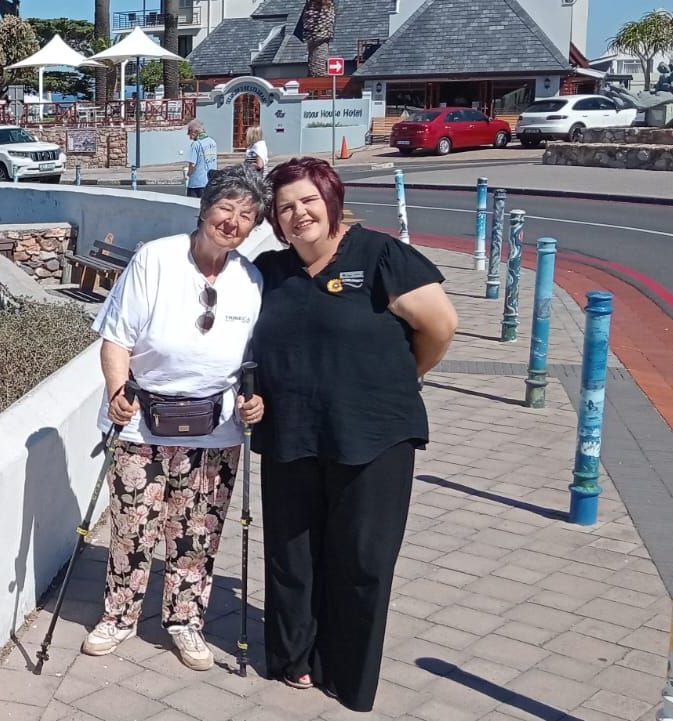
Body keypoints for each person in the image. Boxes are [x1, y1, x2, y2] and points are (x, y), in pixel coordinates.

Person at [252, 157, 459, 712]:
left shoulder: (380, 255)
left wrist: (402, 377)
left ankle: (345, 671)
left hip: (374, 434)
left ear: (331, 201)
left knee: (361, 559)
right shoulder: (270, 270)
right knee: (293, 554)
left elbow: (440, 326)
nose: (299, 214)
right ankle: (295, 657)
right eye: (285, 207)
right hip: (291, 433)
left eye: (308, 201)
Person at [81, 165, 269, 671]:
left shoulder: (250, 280)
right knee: (133, 526)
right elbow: (116, 338)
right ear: (205, 208)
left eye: (246, 215)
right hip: (142, 418)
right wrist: (116, 390)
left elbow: (254, 362)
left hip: (216, 429)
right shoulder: (155, 259)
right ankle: (119, 616)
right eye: (225, 208)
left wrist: (255, 401)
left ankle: (185, 621)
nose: (232, 222)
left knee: (197, 532)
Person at [182, 119, 219, 199]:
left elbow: (192, 164)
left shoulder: (196, 144)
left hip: (197, 182)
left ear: (194, 131)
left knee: (192, 205)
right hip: (210, 181)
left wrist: (188, 173)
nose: (188, 134)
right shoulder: (212, 142)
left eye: (189, 131)